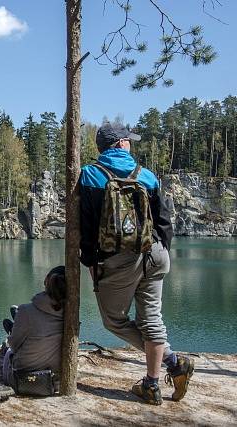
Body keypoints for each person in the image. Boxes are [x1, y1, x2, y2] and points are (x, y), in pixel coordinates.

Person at [79, 122, 194, 405]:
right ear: (119, 144)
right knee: (152, 320)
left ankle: (171, 361)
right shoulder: (147, 176)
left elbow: (88, 227)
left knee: (114, 320)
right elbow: (164, 220)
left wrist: (92, 263)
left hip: (119, 259)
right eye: (127, 140)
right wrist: (160, 249)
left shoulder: (90, 175)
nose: (131, 143)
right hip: (154, 253)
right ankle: (155, 382)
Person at [0, 266, 66, 392]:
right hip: (55, 380)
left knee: (7, 350)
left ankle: (14, 328)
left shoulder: (26, 310)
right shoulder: (71, 314)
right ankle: (16, 325)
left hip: (24, 380)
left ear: (46, 282)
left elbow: (14, 345)